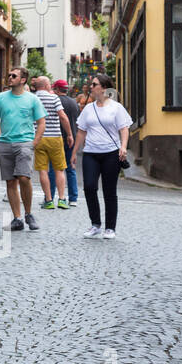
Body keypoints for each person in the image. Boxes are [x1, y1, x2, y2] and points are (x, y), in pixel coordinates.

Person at [72, 73, 132, 240]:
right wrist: (74, 152)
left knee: (109, 190)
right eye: (91, 85)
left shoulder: (116, 107)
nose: (90, 87)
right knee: (90, 187)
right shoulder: (89, 109)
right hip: (91, 152)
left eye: (94, 84)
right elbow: (82, 131)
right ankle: (95, 224)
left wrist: (123, 147)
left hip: (111, 154)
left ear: (104, 88)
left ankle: (110, 228)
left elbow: (124, 129)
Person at [0, 66, 46, 231]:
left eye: (13, 75)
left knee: (23, 178)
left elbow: (41, 122)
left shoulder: (32, 99)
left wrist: (34, 142)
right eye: (9, 75)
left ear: (23, 80)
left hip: (25, 143)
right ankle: (17, 218)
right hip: (4, 144)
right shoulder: (0, 98)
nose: (9, 77)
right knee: (10, 181)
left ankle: (28, 213)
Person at [33, 76, 73, 210]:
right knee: (59, 169)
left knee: (43, 170)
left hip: (38, 137)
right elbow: (62, 116)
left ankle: (49, 200)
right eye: (49, 84)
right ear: (45, 85)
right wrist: (69, 134)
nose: (51, 86)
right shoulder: (54, 98)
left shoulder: (32, 98)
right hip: (55, 137)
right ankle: (62, 199)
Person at [52, 80, 82, 205]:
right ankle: (73, 198)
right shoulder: (74, 102)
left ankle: (50, 196)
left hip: (58, 137)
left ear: (57, 89)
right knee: (71, 168)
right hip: (72, 138)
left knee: (54, 169)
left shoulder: (56, 101)